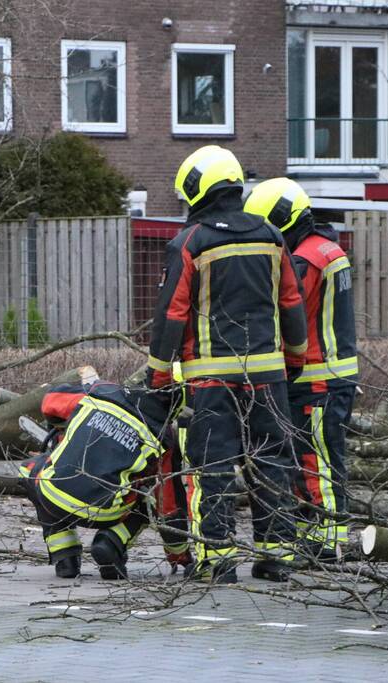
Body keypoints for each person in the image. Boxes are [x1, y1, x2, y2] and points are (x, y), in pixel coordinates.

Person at [146, 145, 308, 584]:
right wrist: (294, 360)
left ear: (197, 189)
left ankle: (217, 560)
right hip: (268, 377)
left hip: (210, 379)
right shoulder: (272, 236)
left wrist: (158, 375)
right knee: (272, 461)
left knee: (211, 467)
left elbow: (172, 315)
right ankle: (278, 557)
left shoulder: (190, 242)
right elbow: (291, 303)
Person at [244, 178, 358, 562]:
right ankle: (319, 531)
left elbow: (288, 314)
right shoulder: (329, 247)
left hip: (316, 377)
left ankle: (328, 538)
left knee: (316, 459)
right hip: (330, 374)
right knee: (316, 456)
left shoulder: (306, 260)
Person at [20, 382, 189, 580]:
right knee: (150, 498)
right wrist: (180, 556)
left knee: (28, 470)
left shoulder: (104, 392)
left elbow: (53, 398)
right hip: (104, 512)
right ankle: (110, 543)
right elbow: (168, 508)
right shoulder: (164, 437)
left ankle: (65, 557)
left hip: (53, 497)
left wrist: (59, 424)